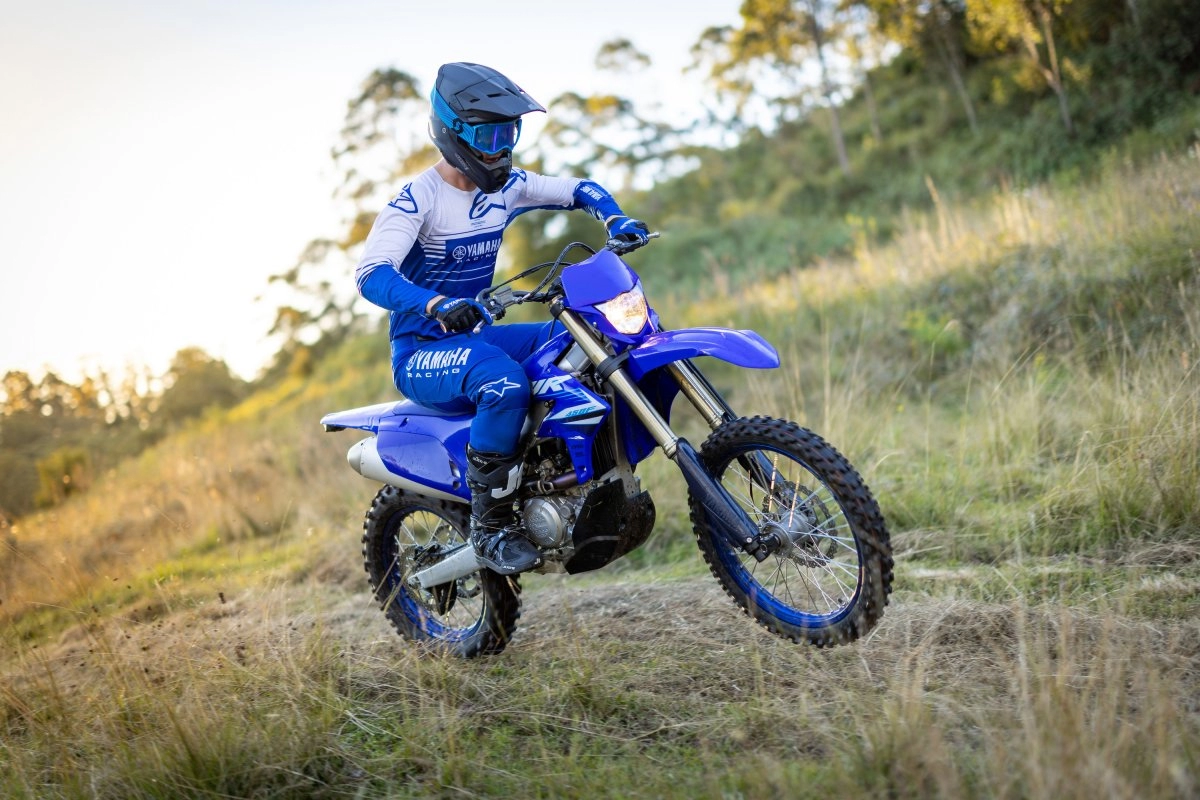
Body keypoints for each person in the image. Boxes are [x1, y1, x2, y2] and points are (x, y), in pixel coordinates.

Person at [354, 62, 650, 576]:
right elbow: (371, 275)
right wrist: (435, 304)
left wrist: (615, 218)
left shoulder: (507, 186)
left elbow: (579, 189)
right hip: (423, 351)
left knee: (586, 337)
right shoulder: (417, 201)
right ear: (452, 132)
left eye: (509, 133)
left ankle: (563, 478)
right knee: (505, 384)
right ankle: (490, 527)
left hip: (478, 337)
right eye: (489, 136)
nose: (501, 149)